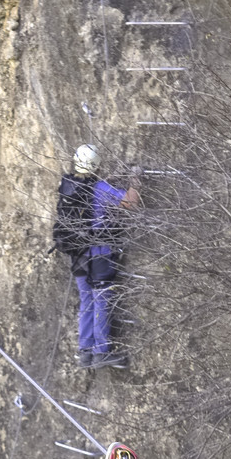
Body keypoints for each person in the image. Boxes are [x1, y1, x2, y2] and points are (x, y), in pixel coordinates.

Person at [51, 145, 140, 368]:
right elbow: (129, 203)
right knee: (101, 301)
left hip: (78, 254)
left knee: (87, 301)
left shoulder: (68, 184)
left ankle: (85, 352)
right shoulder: (99, 188)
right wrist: (137, 179)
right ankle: (102, 352)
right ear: (97, 165)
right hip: (99, 254)